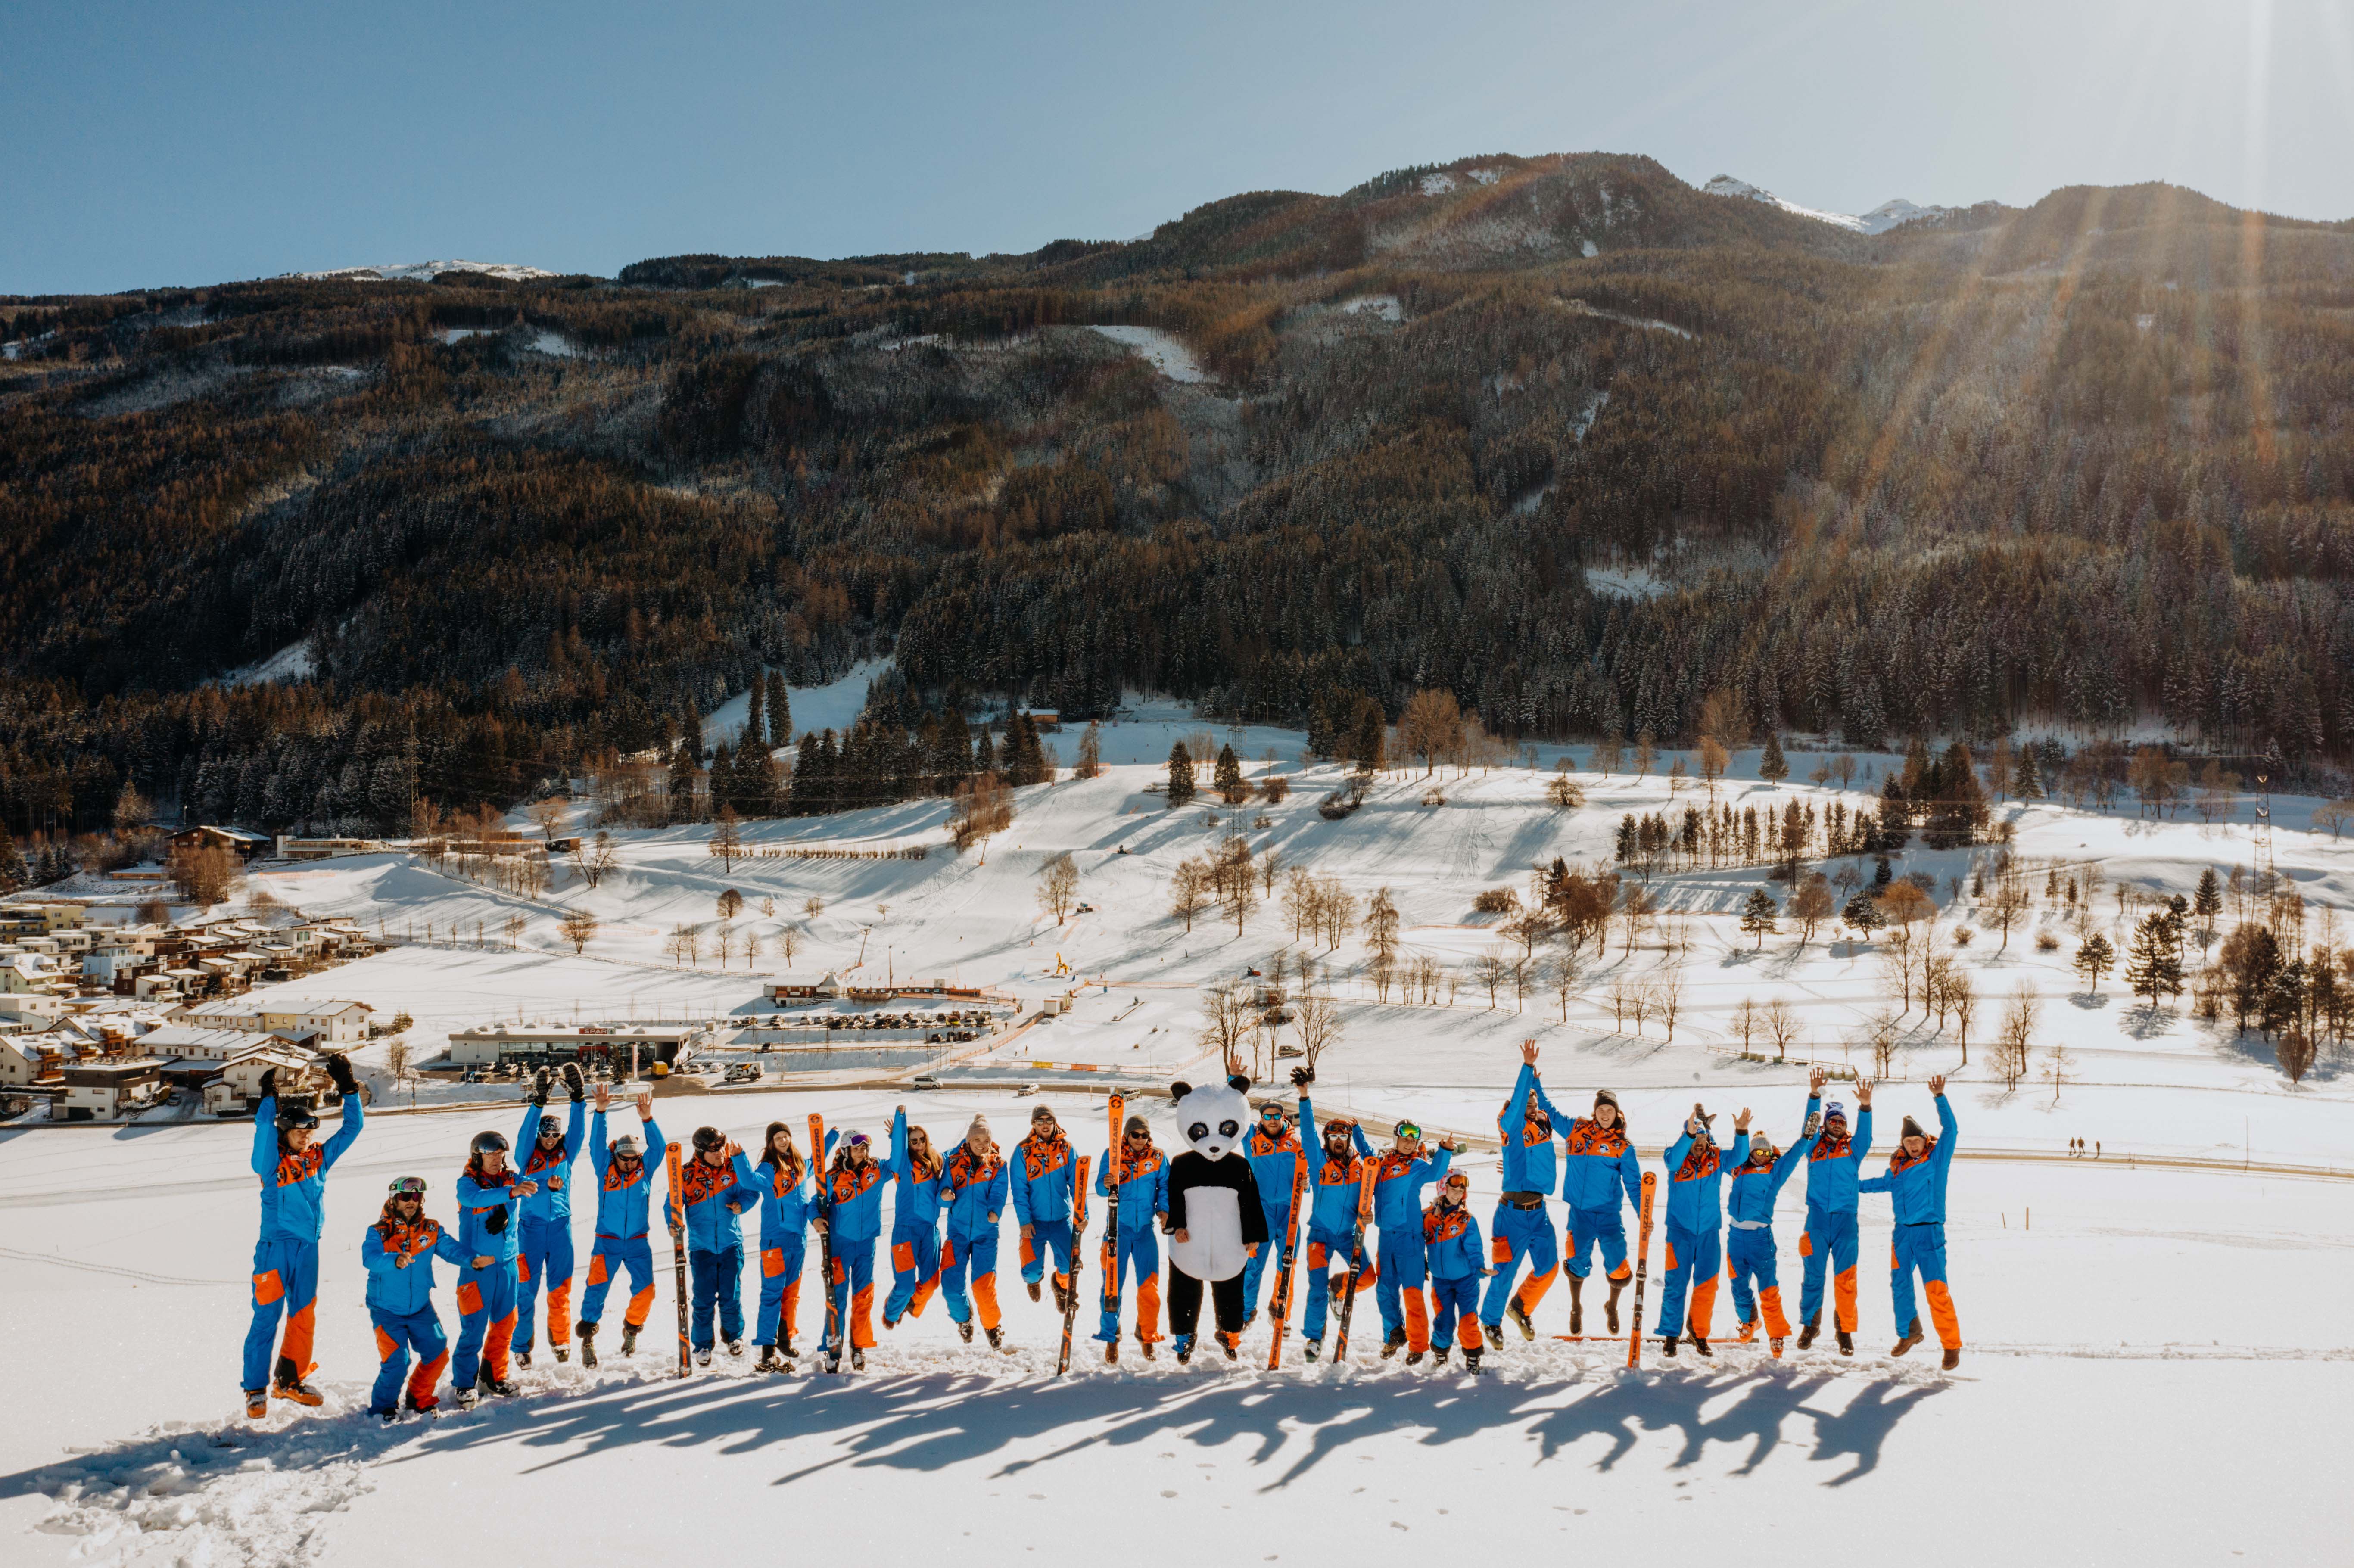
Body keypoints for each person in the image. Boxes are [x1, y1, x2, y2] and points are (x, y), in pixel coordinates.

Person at [243, 1054, 364, 1419]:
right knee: (267, 1318)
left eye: (310, 1129)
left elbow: (353, 1127)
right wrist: (269, 1099)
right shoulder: (271, 1164)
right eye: (298, 1130)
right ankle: (255, 1391)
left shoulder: (319, 1159)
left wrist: (349, 1087)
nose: (306, 1135)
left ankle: (289, 1380)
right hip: (275, 1249)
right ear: (284, 1131)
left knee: (304, 1315)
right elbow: (263, 1131)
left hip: (308, 1249)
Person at [1858, 1076, 1962, 1369]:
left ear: (1924, 1141)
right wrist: (1851, 1187)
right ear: (1903, 1145)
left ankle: (1951, 1345)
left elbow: (1951, 1130)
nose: (1913, 1144)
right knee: (1900, 1285)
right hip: (1902, 1234)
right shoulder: (1898, 1169)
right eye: (1908, 1141)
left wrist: (1940, 1097)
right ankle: (1910, 1333)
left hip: (1929, 1233)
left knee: (1936, 1289)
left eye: (1917, 1140)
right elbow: (1878, 1184)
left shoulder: (1937, 1160)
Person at [1725, 1070, 1824, 1357]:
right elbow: (1725, 1154)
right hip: (1735, 1237)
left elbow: (1798, 1149)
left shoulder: (1775, 1171)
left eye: (1766, 1153)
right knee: (1738, 1286)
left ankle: (1777, 1334)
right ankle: (1749, 1322)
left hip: (1760, 1238)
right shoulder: (1737, 1169)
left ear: (1770, 1155)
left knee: (1768, 1288)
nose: (1761, 1156)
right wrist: (1739, 1131)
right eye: (1757, 1152)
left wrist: (1809, 1124)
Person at [361, 1176, 468, 1420]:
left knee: (438, 1352)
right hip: (386, 1311)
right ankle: (383, 1408)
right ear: (394, 1200)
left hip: (421, 1309)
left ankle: (419, 1398)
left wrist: (474, 1260)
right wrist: (395, 1260)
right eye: (405, 1196)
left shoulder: (430, 1229)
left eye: (417, 1196)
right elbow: (370, 1258)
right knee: (398, 1361)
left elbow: (452, 1249)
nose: (412, 1201)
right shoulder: (378, 1232)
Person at [1482, 1040, 1569, 1341]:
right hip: (1511, 1216)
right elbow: (1519, 1104)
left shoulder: (1543, 1129)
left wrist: (1537, 1086)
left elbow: (1542, 1107)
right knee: (1504, 1272)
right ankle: (1491, 1322)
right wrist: (1527, 1068)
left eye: (1534, 1105)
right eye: (1526, 1105)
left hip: (1539, 1213)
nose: (1530, 1108)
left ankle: (1521, 1307)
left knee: (1549, 1267)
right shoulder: (1510, 1125)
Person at [576, 1086, 665, 1368]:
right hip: (607, 1241)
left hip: (638, 1242)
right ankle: (588, 1341)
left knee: (646, 1291)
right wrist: (601, 1112)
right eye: (624, 1158)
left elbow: (660, 1148)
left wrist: (648, 1119)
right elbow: (596, 1144)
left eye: (633, 1158)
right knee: (596, 1290)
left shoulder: (645, 1170)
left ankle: (631, 1330)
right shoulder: (605, 1168)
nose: (628, 1163)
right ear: (615, 1155)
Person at [1290, 1067, 1374, 1362]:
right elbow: (1308, 1133)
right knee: (1315, 1288)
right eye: (1334, 1135)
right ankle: (1315, 1338)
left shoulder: (1361, 1167)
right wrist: (1304, 1096)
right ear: (1327, 1139)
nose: (1339, 1139)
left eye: (1344, 1135)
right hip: (1321, 1235)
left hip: (1349, 1235)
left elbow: (1374, 1164)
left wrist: (1368, 1213)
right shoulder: (1319, 1163)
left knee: (1368, 1278)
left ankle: (1337, 1289)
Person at [453, 1123, 537, 1405]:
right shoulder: (467, 1183)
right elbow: (473, 1199)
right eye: (491, 1156)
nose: (497, 1160)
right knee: (474, 1327)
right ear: (478, 1157)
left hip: (508, 1264)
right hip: (478, 1268)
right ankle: (464, 1384)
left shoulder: (510, 1178)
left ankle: (493, 1378)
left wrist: (546, 1183)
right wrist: (510, 1194)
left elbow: (528, 1181)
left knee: (505, 1324)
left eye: (501, 1155)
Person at [1553, 1083, 1643, 1340]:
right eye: (1601, 1110)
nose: (1605, 1114)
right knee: (1576, 1261)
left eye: (1609, 1110)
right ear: (1595, 1112)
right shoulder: (1577, 1130)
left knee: (1619, 1264)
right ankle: (1576, 1307)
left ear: (1617, 1113)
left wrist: (1644, 1215)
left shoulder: (1623, 1146)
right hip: (1580, 1214)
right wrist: (1533, 1080)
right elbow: (1551, 1113)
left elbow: (1634, 1185)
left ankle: (1611, 1306)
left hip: (1608, 1216)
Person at [512, 1064, 586, 1368]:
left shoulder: (566, 1153)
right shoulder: (526, 1157)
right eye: (545, 1135)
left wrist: (578, 1100)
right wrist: (538, 1102)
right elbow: (524, 1136)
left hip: (560, 1229)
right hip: (530, 1230)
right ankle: (521, 1346)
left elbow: (578, 1131)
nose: (551, 1139)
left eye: (556, 1135)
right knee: (525, 1291)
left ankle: (560, 1339)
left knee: (560, 1288)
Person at [1655, 1102, 1741, 1358]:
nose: (1699, 1143)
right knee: (1676, 1285)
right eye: (1695, 1138)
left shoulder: (1716, 1160)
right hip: (1679, 1233)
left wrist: (1742, 1133)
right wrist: (1690, 1134)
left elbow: (1739, 1158)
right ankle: (1671, 1336)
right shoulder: (1675, 1158)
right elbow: (1672, 1161)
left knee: (1707, 1286)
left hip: (1708, 1234)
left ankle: (1698, 1333)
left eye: (1703, 1138)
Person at [1798, 1077, 1873, 1356]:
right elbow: (1807, 1129)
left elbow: (1866, 1135)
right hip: (1817, 1219)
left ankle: (1844, 1331)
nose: (1838, 1125)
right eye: (1833, 1121)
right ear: (1826, 1124)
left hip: (1845, 1221)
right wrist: (1814, 1097)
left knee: (1846, 1279)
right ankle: (1811, 1326)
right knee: (1813, 1276)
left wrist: (1865, 1108)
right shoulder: (1813, 1147)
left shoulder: (1854, 1149)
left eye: (1842, 1121)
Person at [1371, 1118, 1457, 1360]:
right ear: (1396, 1139)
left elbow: (1436, 1172)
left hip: (1409, 1237)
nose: (1409, 1144)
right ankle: (1394, 1334)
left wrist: (1445, 1150)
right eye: (1405, 1139)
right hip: (1386, 1236)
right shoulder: (1383, 1165)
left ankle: (1418, 1345)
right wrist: (1356, 1131)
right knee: (1385, 1289)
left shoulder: (1417, 1166)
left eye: (1413, 1140)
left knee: (1412, 1291)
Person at [750, 1120, 832, 1371]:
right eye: (778, 1138)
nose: (783, 1141)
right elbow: (751, 1181)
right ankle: (767, 1349)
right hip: (775, 1240)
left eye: (786, 1136)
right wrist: (740, 1158)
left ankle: (785, 1339)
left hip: (799, 1240)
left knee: (791, 1292)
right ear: (771, 1143)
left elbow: (816, 1160)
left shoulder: (799, 1166)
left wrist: (830, 1137)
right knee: (772, 1294)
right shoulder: (768, 1168)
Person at [1094, 1112, 1170, 1361]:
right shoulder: (1112, 1155)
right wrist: (1106, 1183)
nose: (1140, 1139)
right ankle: (1111, 1336)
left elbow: (1165, 1186)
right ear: (1126, 1135)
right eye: (1135, 1134)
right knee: (1112, 1288)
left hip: (1145, 1230)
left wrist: (1163, 1209)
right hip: (1117, 1231)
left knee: (1150, 1287)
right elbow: (1099, 1188)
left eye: (1144, 1135)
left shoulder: (1158, 1157)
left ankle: (1146, 1334)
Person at [680, 1125, 760, 1363]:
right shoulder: (687, 1175)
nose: (720, 1153)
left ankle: (734, 1336)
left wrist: (742, 1205)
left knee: (731, 1295)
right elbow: (672, 1203)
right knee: (703, 1299)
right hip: (702, 1248)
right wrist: (673, 1221)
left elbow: (752, 1191)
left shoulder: (733, 1168)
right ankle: (703, 1346)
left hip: (730, 1244)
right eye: (714, 1150)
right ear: (701, 1151)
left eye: (722, 1148)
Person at [817, 1128, 887, 1371]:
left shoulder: (877, 1170)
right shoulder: (833, 1177)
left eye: (865, 1148)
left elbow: (899, 1160)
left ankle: (859, 1347)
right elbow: (814, 1204)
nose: (862, 1152)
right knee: (837, 1297)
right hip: (840, 1245)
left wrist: (899, 1123)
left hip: (866, 1244)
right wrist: (816, 1219)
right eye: (856, 1148)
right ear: (846, 1150)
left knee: (863, 1296)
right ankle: (833, 1349)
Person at [940, 1115, 1010, 1348]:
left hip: (986, 1234)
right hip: (957, 1233)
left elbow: (999, 1192)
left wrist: (995, 1211)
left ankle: (992, 1326)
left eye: (986, 1141)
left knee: (983, 1287)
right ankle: (964, 1320)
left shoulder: (998, 1165)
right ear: (969, 1140)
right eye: (977, 1140)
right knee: (951, 1286)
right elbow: (943, 1190)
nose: (982, 1144)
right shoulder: (953, 1162)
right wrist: (945, 1195)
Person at [1236, 1097, 1306, 1325]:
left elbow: (1306, 1172)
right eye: (1268, 1116)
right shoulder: (1252, 1138)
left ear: (1283, 1117)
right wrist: (1235, 1082)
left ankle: (1279, 1310)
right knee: (1253, 1265)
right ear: (1261, 1119)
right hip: (1261, 1212)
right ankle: (1246, 1314)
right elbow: (1236, 1110)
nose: (1273, 1120)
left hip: (1289, 1211)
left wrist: (1306, 1184)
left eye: (1277, 1115)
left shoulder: (1296, 1141)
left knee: (1287, 1265)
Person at [881, 1107, 946, 1328]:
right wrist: (900, 1121)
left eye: (922, 1140)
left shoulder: (936, 1162)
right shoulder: (902, 1165)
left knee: (932, 1282)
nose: (919, 1144)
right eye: (914, 1141)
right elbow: (898, 1150)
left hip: (929, 1231)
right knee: (906, 1285)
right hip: (906, 1231)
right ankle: (891, 1313)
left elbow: (955, 1154)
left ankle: (912, 1305)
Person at [1011, 1104, 1078, 1309]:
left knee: (1069, 1266)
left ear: (1055, 1122)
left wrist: (1081, 1215)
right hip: (1034, 1223)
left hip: (1061, 1220)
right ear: (1034, 1124)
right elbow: (1019, 1191)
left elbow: (1078, 1184)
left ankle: (1059, 1285)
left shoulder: (1066, 1149)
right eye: (1040, 1121)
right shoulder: (1023, 1151)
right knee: (1031, 1271)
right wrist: (1025, 1221)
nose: (1045, 1125)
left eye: (1049, 1120)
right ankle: (1033, 1281)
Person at [1422, 1170, 1490, 1371]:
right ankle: (1441, 1355)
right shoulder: (1426, 1217)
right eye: (1454, 1189)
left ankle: (1473, 1357)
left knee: (1468, 1320)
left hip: (1466, 1281)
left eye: (1462, 1191)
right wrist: (1419, 1263)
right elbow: (1415, 1241)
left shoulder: (1466, 1220)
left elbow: (1474, 1248)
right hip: (1441, 1282)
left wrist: (1479, 1267)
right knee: (1444, 1321)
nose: (1458, 1194)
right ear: (1443, 1189)